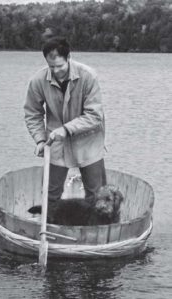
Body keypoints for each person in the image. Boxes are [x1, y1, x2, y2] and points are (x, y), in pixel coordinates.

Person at [24, 37, 106, 204]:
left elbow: (95, 116)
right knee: (50, 194)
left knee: (97, 195)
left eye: (60, 66)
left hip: (89, 140)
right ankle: (51, 225)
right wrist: (40, 139)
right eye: (51, 66)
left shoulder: (88, 76)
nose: (55, 71)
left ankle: (95, 228)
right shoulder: (38, 81)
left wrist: (66, 129)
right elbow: (33, 113)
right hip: (55, 142)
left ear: (69, 58)